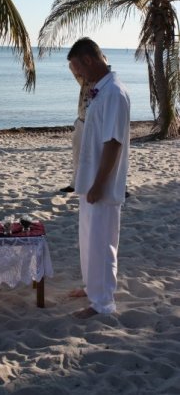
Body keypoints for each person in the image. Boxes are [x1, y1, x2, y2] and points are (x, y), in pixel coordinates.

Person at [67, 37, 130, 319]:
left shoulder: (114, 93)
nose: (78, 75)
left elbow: (113, 142)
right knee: (88, 239)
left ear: (89, 60)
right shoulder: (98, 91)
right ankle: (92, 288)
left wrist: (99, 183)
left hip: (101, 184)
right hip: (88, 179)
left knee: (103, 242)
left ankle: (103, 303)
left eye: (78, 68)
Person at [60, 68, 94, 193]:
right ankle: (75, 184)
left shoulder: (105, 83)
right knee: (77, 155)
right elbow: (72, 67)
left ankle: (120, 187)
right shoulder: (85, 80)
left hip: (96, 123)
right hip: (81, 120)